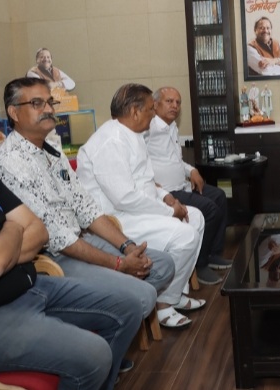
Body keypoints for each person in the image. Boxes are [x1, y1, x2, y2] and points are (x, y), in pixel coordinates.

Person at [0, 79, 142, 389]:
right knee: (94, 355)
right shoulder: (3, 163)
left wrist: (0, 241)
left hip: (30, 285)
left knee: (129, 306)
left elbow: (38, 231)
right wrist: (13, 229)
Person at [0, 77, 176, 323]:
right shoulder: (9, 162)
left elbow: (87, 208)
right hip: (53, 257)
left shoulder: (53, 152)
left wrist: (127, 247)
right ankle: (105, 325)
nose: (48, 109)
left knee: (163, 265)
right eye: (37, 103)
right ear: (13, 113)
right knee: (142, 296)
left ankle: (113, 314)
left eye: (50, 102)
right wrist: (118, 264)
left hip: (81, 240)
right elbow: (56, 236)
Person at [76, 83, 205, 329]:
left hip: (139, 209)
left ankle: (174, 294)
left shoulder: (132, 135)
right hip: (116, 220)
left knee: (196, 217)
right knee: (185, 235)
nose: (153, 114)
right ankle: (163, 305)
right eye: (150, 109)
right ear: (135, 112)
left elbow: (146, 180)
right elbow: (124, 197)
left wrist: (167, 197)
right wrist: (169, 212)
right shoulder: (110, 141)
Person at [146, 86, 232, 285]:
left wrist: (192, 170)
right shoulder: (148, 128)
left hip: (182, 186)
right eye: (169, 101)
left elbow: (175, 161)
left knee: (219, 196)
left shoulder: (172, 127)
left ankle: (213, 254)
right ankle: (200, 265)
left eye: (178, 102)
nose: (175, 106)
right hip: (166, 192)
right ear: (155, 105)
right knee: (209, 209)